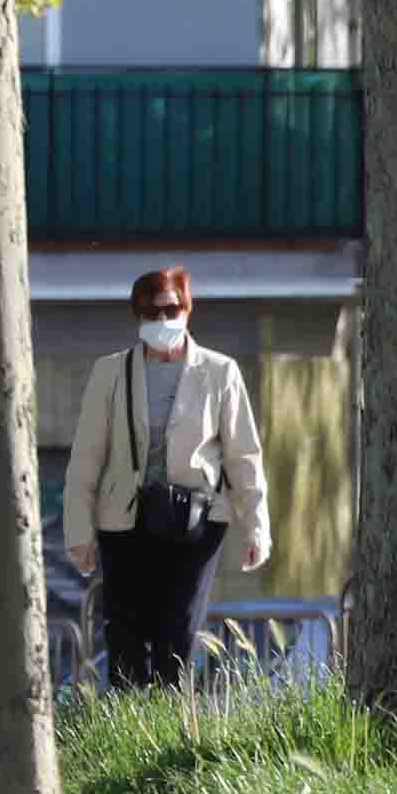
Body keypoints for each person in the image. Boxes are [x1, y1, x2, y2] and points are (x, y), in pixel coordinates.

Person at [65, 266, 272, 691]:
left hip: (194, 520)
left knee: (178, 631)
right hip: (125, 519)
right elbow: (86, 457)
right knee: (124, 632)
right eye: (150, 313)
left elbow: (243, 456)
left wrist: (256, 527)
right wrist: (78, 531)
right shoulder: (110, 373)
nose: (162, 322)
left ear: (188, 308)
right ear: (137, 316)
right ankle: (126, 726)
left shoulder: (220, 372)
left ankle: (169, 724)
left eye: (171, 309)